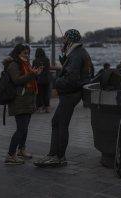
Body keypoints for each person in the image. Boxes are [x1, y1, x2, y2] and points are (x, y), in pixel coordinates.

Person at [34, 29, 93, 167]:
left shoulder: (77, 54)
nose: (63, 40)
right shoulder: (76, 52)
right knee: (57, 122)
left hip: (71, 93)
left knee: (60, 123)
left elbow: (72, 79)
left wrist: (56, 81)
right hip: (72, 92)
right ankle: (55, 155)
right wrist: (64, 60)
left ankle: (58, 157)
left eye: (65, 38)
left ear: (71, 39)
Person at [4, 43, 43, 164]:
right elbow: (17, 80)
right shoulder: (13, 65)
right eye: (25, 53)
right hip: (18, 100)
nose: (27, 55)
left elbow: (29, 79)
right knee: (21, 129)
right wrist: (32, 74)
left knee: (25, 129)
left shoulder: (26, 64)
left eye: (28, 53)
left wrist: (36, 74)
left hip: (28, 99)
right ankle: (10, 154)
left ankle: (21, 149)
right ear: (18, 53)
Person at [32, 48, 51, 113]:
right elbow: (48, 69)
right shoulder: (47, 60)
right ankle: (47, 108)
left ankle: (40, 108)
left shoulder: (35, 61)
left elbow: (33, 70)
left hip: (38, 80)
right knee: (46, 94)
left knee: (39, 94)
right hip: (46, 80)